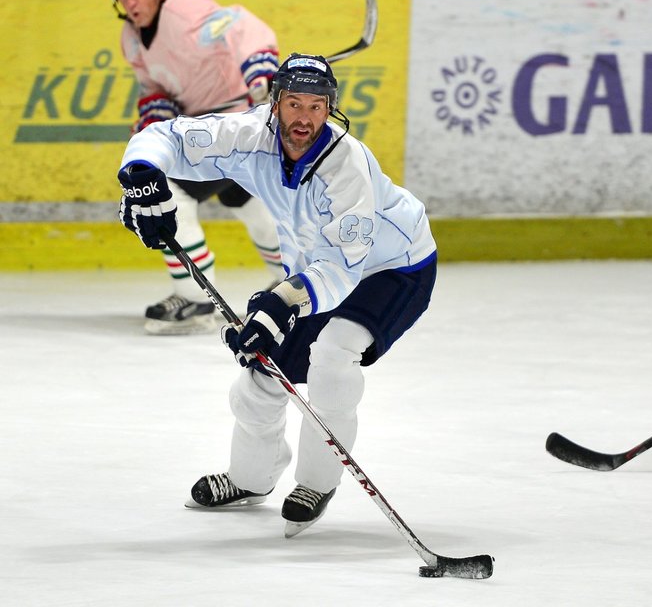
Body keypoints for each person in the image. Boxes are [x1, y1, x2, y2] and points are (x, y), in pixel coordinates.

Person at [117, 53, 438, 536]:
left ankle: (316, 481)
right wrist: (142, 176)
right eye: (294, 103)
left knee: (332, 358)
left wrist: (283, 300)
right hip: (314, 268)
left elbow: (344, 266)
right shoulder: (249, 135)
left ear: (330, 110)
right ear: (274, 103)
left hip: (395, 267)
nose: (304, 117)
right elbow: (166, 137)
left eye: (316, 105)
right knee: (262, 371)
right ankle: (249, 479)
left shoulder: (348, 165)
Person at [104, 0, 286, 335]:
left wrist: (260, 71)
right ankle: (290, 283)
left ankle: (196, 295)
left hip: (233, 125)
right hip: (209, 131)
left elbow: (242, 26)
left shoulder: (187, 14)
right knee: (247, 198)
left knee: (167, 192)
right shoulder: (132, 37)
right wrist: (157, 114)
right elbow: (153, 86)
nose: (130, 2)